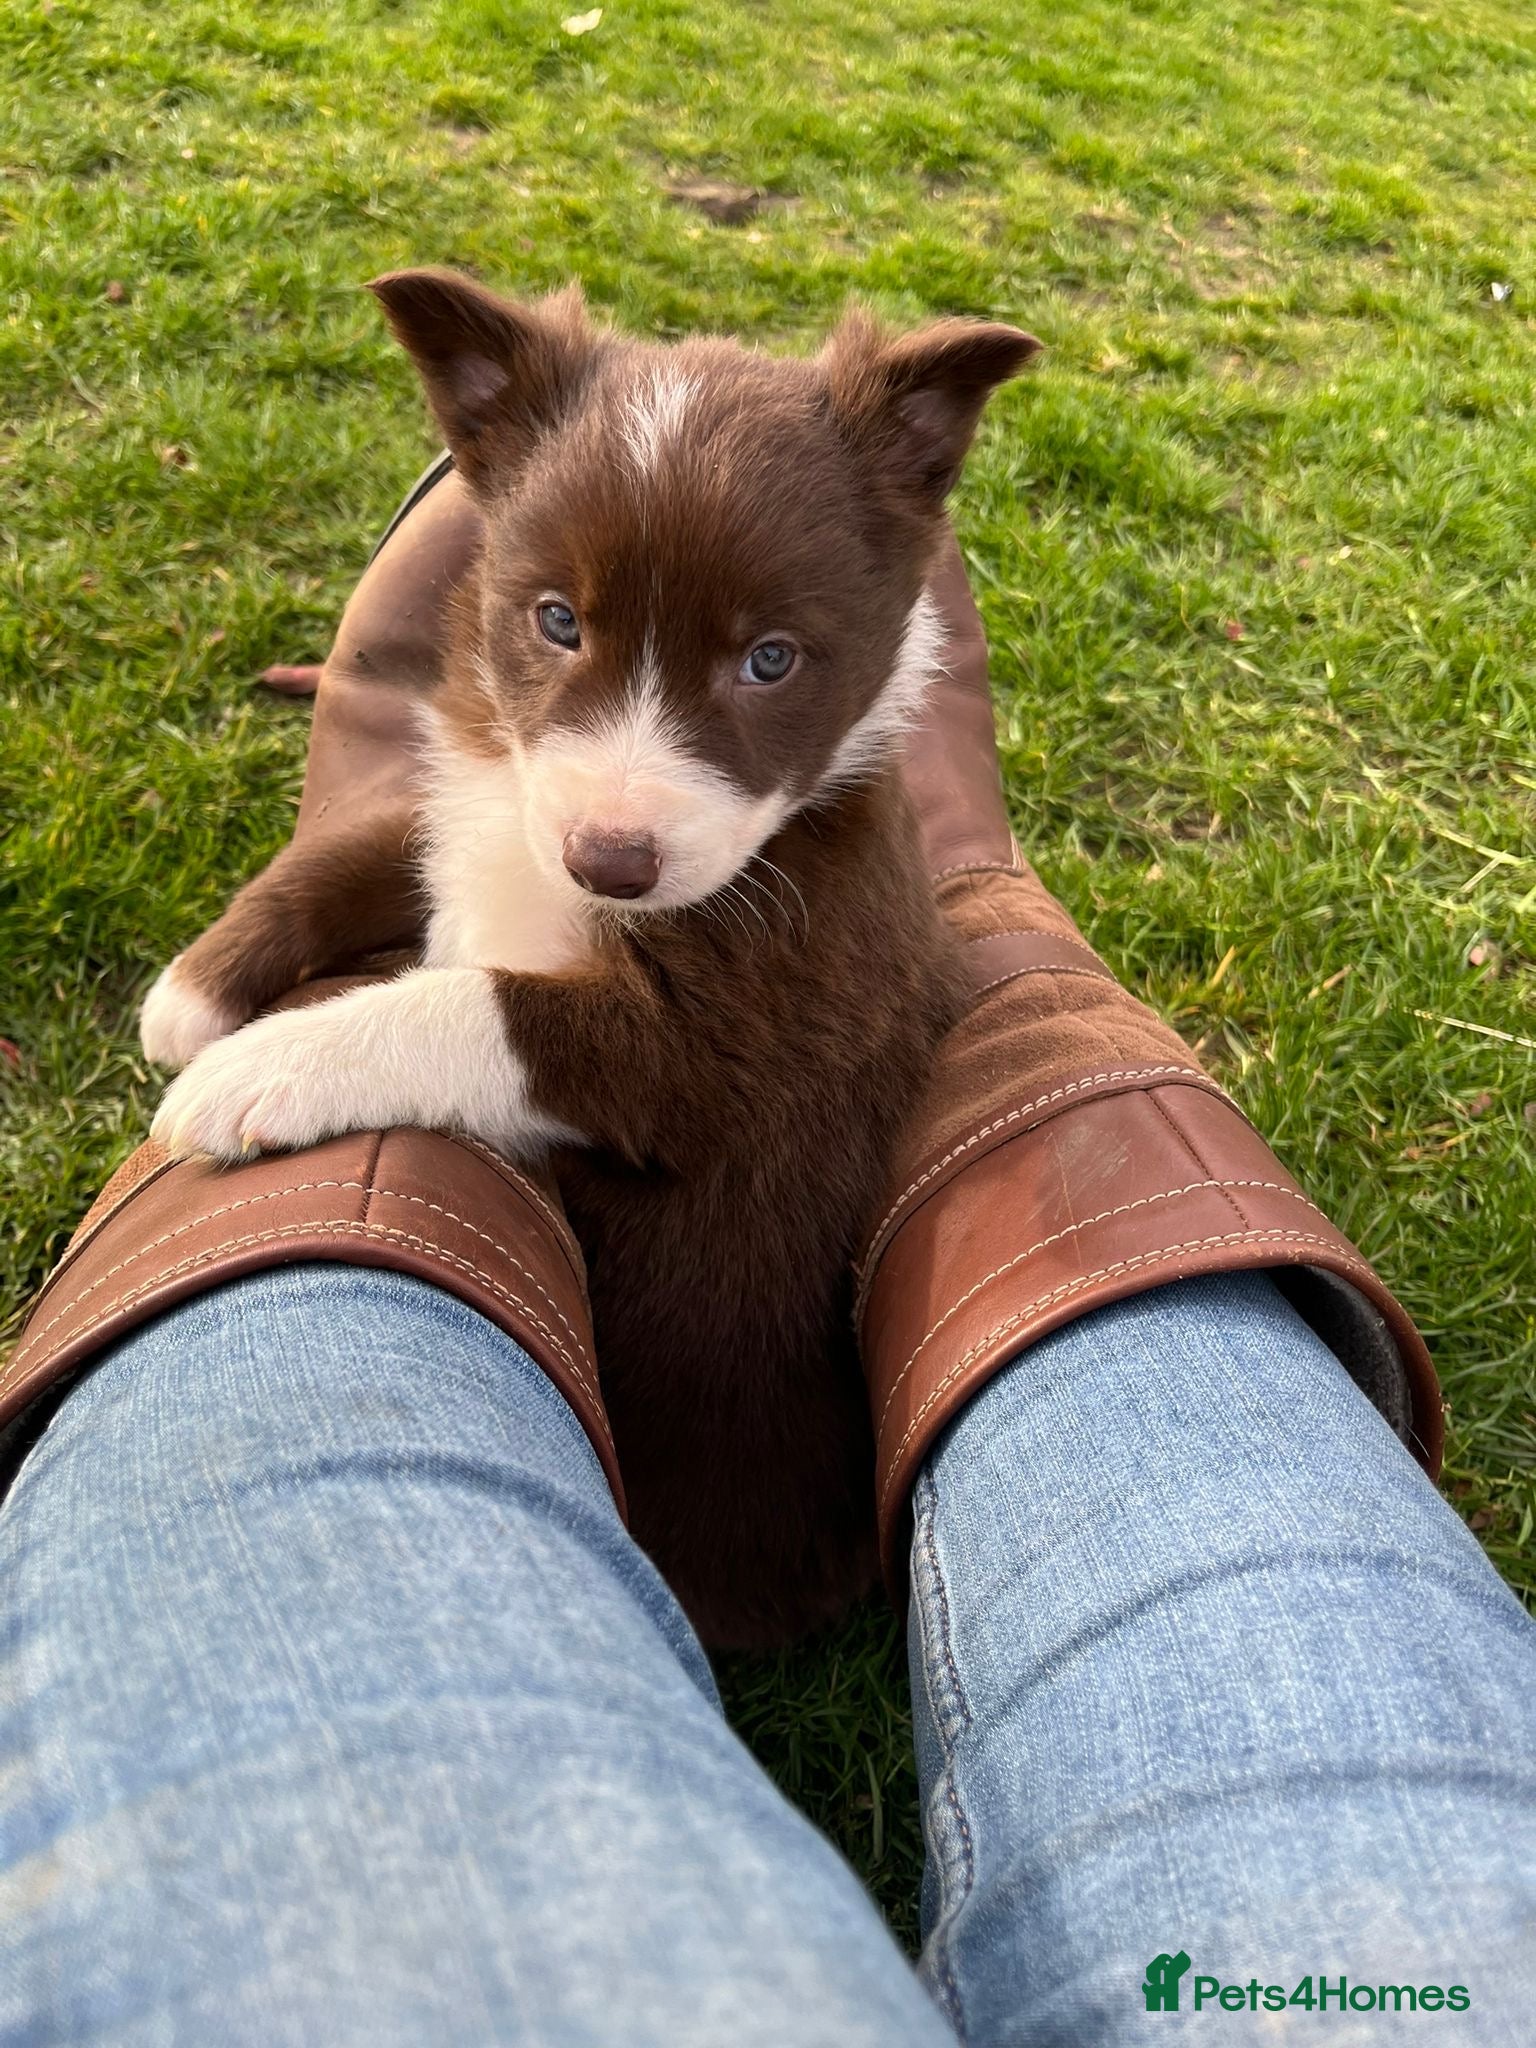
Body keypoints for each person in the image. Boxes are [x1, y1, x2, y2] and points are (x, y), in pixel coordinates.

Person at [2, 465, 1531, 2046]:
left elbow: (661, 1066)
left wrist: (369, 1033)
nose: (627, 761)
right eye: (560, 625)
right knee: (1152, 1341)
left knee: (313, 1273)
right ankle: (1026, 1030)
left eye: (768, 660)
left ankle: (333, 1252)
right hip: (747, 1366)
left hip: (712, 1487)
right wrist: (283, 919)